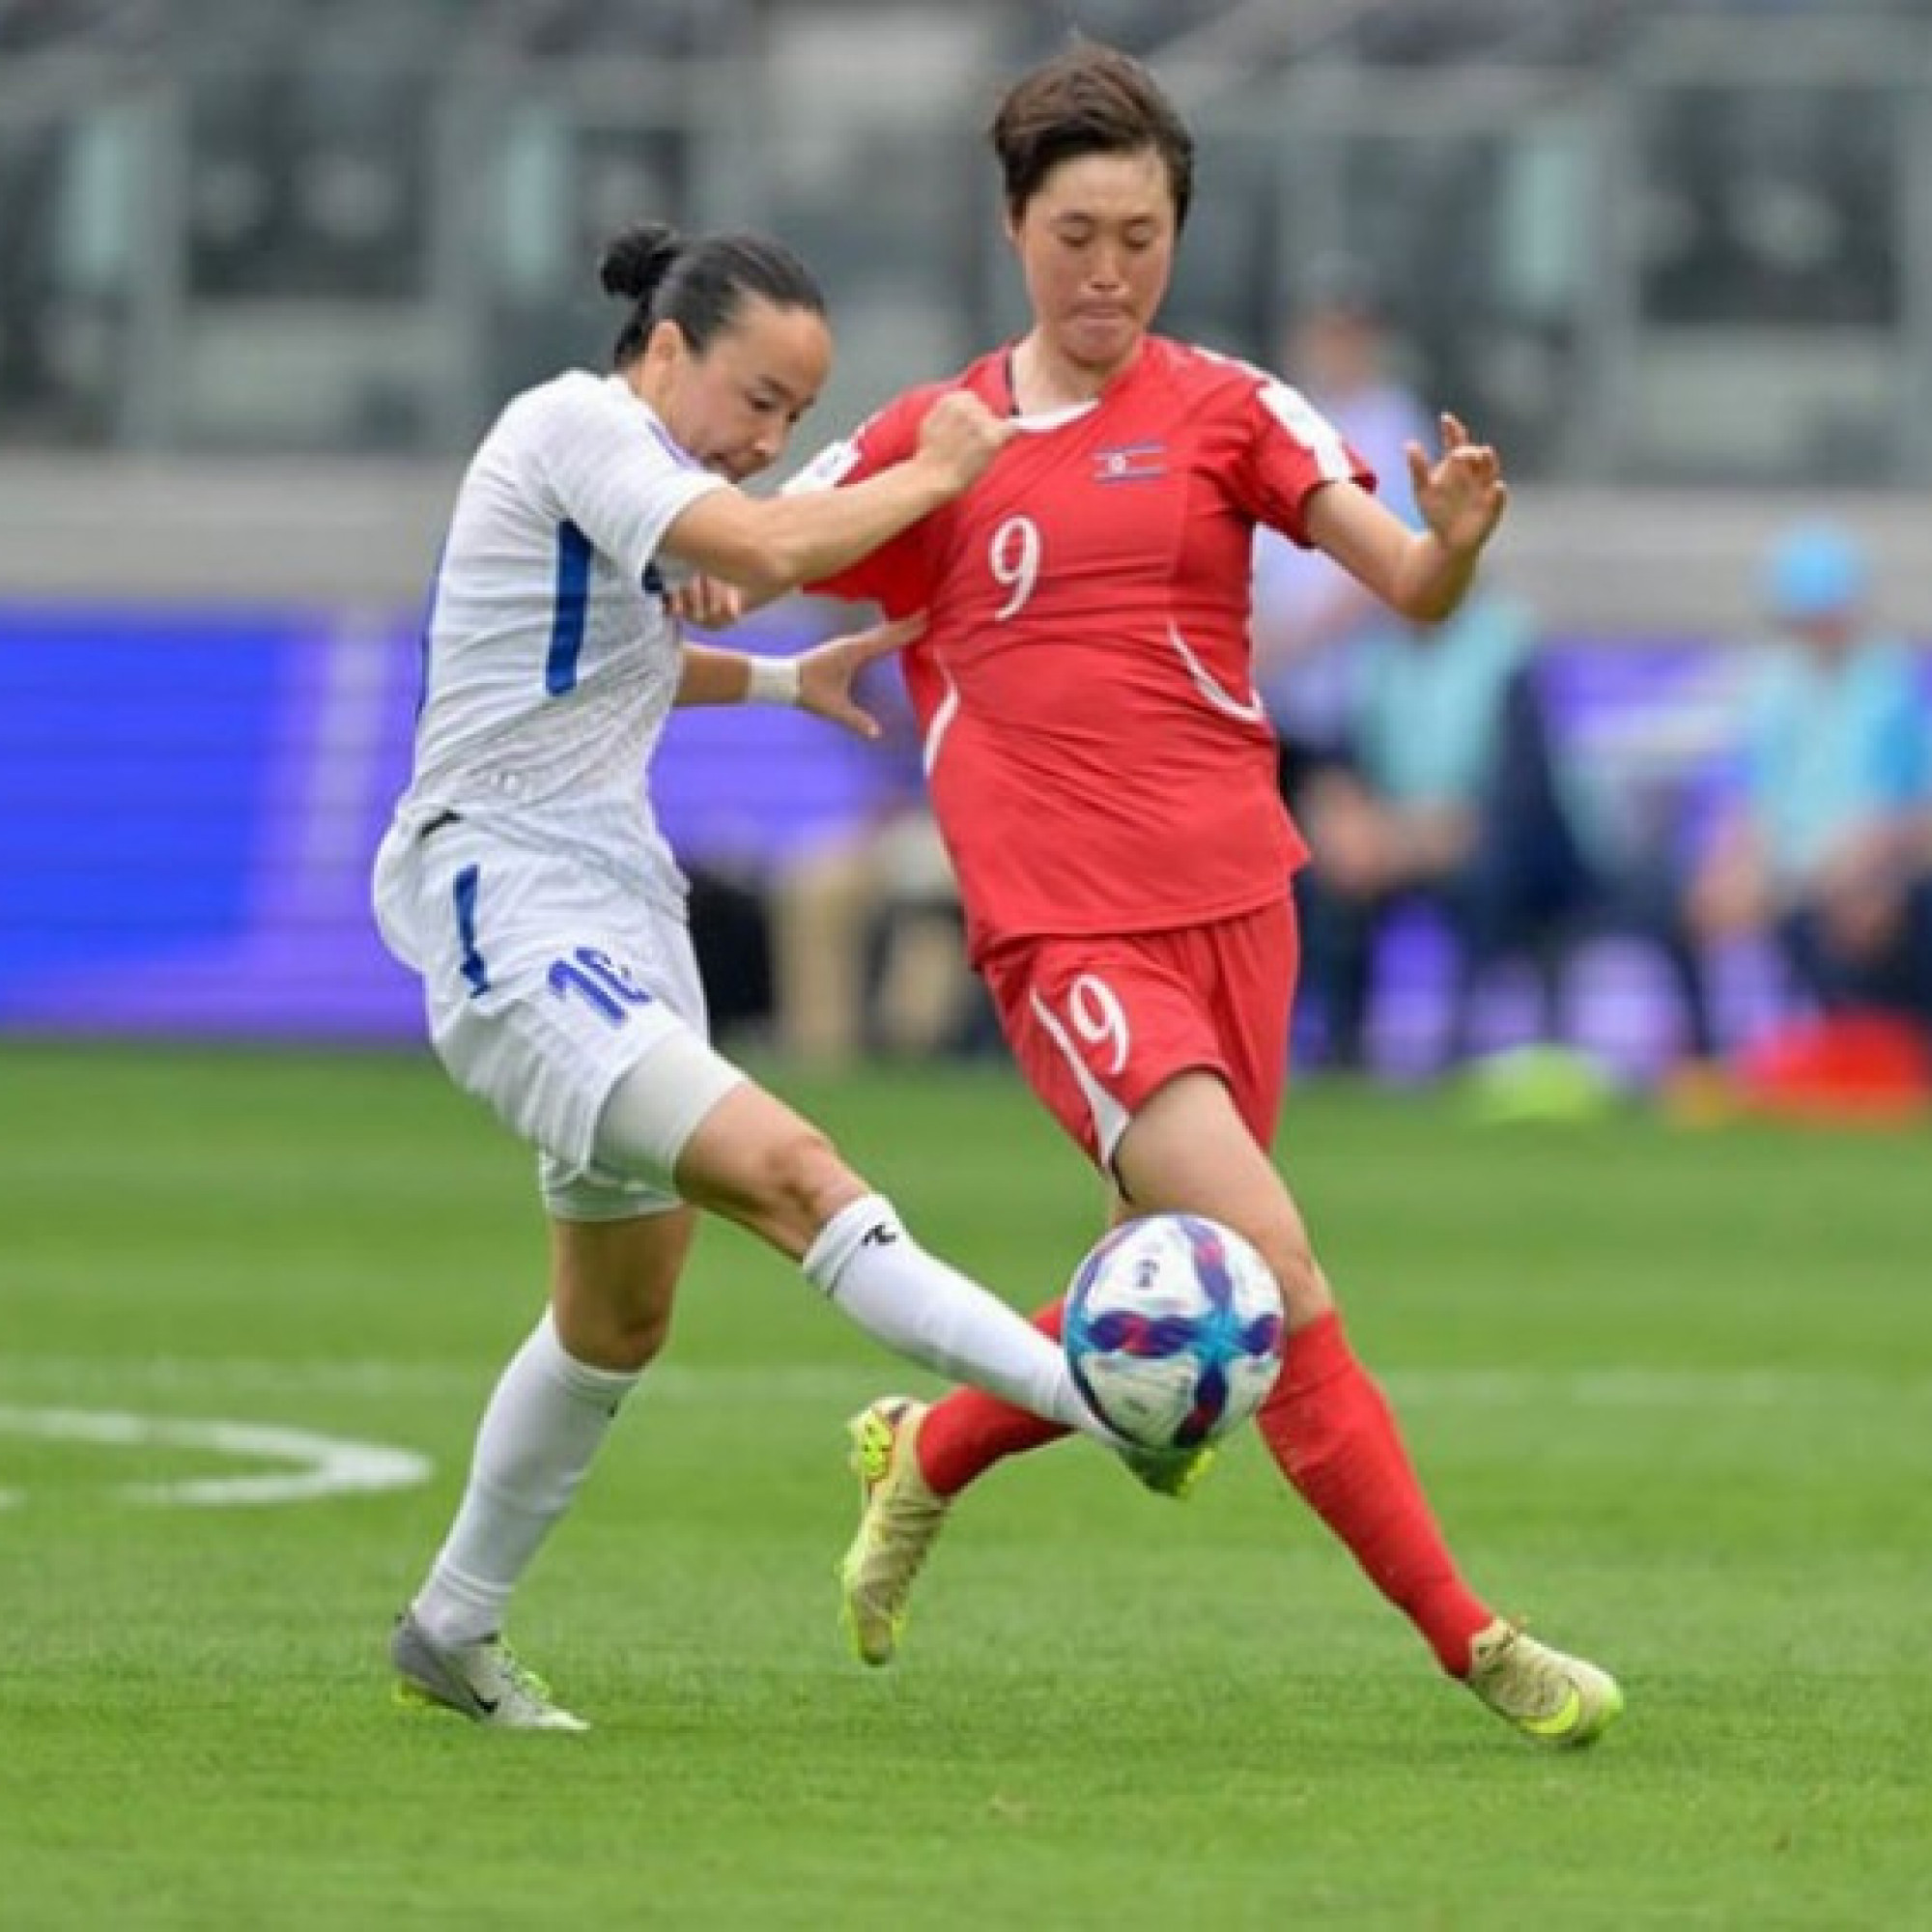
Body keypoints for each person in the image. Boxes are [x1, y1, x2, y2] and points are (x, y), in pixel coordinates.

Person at [798, 41, 1622, 1747]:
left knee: (1174, 1293)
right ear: (1014, 227)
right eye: (1078, 232)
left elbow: (1405, 586)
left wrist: (1456, 543)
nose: (1109, 271)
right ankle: (1479, 1645)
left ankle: (925, 1450)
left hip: (1243, 905)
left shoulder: (1231, 409)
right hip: (1067, 936)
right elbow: (751, 548)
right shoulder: (929, 440)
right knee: (1278, 1276)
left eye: (1144, 235)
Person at [370, 219, 1145, 1732]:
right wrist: (938, 471)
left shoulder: (638, 486)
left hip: (618, 905)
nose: (772, 441)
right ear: (665, 351)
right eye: (761, 402)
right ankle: (1090, 1400)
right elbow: (775, 550)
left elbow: (629, 652)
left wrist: (791, 677)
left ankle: (452, 1627)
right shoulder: (574, 426)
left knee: (619, 1316)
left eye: (799, 415)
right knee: (794, 1173)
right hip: (509, 906)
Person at [1685, 522, 1932, 1037]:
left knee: (1853, 921)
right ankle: (1712, 1058)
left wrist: (1846, 877)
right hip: (1795, 873)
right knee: (1689, 911)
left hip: (1863, 874)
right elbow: (1752, 800)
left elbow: (1901, 815)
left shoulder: (1888, 690)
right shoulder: (1774, 690)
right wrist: (1729, 872)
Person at [1248, 258, 1435, 827]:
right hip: (1272, 692)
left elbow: (1399, 557)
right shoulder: (1283, 413)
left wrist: (1293, 636)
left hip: (1352, 695)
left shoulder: (1396, 427)